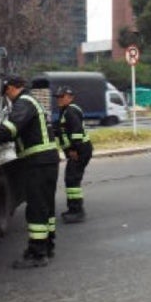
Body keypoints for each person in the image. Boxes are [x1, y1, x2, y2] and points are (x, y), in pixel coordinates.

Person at [0, 75, 59, 268]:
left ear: (13, 88)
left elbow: (11, 128)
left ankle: (37, 254)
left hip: (38, 162)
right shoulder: (32, 101)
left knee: (36, 208)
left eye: (6, 91)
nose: (7, 96)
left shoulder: (23, 102)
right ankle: (47, 245)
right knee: (46, 206)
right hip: (47, 161)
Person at [53, 85, 93, 223]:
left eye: (61, 97)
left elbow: (76, 131)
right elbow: (62, 130)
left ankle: (77, 211)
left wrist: (74, 150)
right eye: (58, 97)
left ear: (70, 97)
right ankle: (74, 209)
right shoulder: (65, 111)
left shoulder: (70, 111)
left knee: (72, 179)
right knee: (71, 179)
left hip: (79, 150)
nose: (59, 99)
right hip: (78, 150)